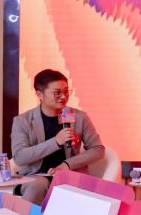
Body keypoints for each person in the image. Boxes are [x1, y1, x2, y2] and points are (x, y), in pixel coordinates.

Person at [9, 68, 105, 204]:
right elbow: (20, 157)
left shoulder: (79, 117)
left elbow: (98, 149)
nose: (63, 97)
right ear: (39, 94)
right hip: (35, 176)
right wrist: (56, 142)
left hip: (69, 175)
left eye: (66, 91)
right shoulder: (22, 121)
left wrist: (67, 165)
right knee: (38, 185)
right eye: (57, 92)